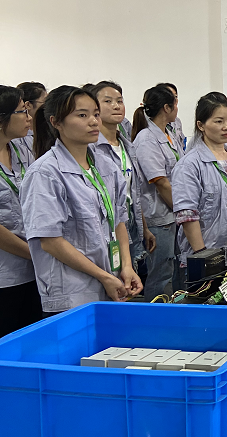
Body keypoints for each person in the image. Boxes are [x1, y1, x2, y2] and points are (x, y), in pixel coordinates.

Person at [21, 86, 142, 315]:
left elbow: (119, 221)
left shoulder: (107, 166)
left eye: (95, 114)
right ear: (56, 122)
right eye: (82, 115)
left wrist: (126, 266)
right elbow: (50, 241)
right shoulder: (45, 173)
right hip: (72, 292)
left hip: (111, 281)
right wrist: (103, 276)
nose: (94, 121)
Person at [172, 93, 227, 265]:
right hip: (213, 256)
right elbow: (188, 216)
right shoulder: (189, 165)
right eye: (219, 121)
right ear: (201, 125)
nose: (226, 127)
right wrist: (204, 257)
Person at [90, 82, 156, 270]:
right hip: (108, 227)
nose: (116, 106)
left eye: (119, 101)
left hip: (131, 223)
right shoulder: (92, 149)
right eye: (108, 101)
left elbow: (133, 192)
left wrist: (144, 228)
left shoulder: (127, 145)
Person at [132, 85, 183, 299]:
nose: (177, 108)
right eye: (175, 103)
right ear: (166, 108)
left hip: (173, 212)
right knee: (160, 274)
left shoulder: (169, 133)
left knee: (176, 268)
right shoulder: (146, 138)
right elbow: (160, 182)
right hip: (159, 216)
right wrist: (181, 209)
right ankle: (154, 313)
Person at [0, 86, 42, 335]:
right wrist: (35, 253)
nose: (29, 117)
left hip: (34, 270)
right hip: (6, 275)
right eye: (22, 111)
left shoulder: (22, 148)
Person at [12, 82, 47, 159]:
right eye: (45, 102)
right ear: (28, 105)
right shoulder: (17, 136)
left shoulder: (47, 129)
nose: (47, 106)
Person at [156, 83, 186, 151]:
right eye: (172, 97)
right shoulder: (148, 135)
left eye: (176, 96)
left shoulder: (176, 121)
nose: (175, 101)